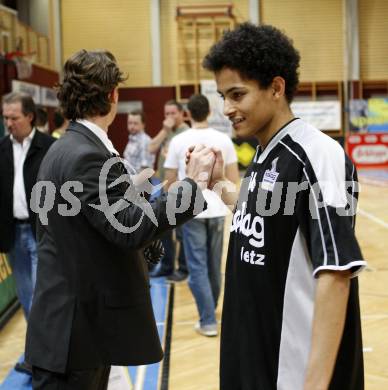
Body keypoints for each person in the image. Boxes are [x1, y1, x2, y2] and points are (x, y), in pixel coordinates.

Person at [25, 49, 215, 390]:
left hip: (72, 330)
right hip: (73, 337)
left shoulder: (65, 148)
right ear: (113, 95)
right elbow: (131, 227)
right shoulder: (85, 156)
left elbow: (84, 228)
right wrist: (194, 185)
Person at [202, 23, 367, 389]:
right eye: (222, 96)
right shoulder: (266, 151)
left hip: (291, 372)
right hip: (252, 358)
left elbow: (336, 273)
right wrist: (217, 183)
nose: (227, 108)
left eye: (237, 95)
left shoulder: (317, 154)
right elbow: (260, 216)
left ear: (276, 88)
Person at [164, 94, 239, 336]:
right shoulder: (223, 139)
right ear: (208, 113)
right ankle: (210, 310)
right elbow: (233, 179)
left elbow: (170, 180)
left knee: (197, 267)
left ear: (187, 114)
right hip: (218, 208)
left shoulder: (179, 140)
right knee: (214, 266)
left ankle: (207, 318)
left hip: (191, 210)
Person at [0, 92, 55, 374]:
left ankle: (43, 357)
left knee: (40, 298)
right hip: (13, 235)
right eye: (5, 118)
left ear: (30, 116)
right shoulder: (1, 149)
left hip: (42, 233)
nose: (8, 123)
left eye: (14, 117)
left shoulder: (50, 147)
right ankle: (38, 355)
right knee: (26, 298)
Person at [148, 100, 189, 281]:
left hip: (179, 186)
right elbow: (151, 148)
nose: (169, 118)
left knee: (181, 232)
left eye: (173, 113)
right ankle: (166, 265)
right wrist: (164, 129)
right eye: (167, 114)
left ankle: (184, 268)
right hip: (162, 185)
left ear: (181, 114)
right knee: (163, 229)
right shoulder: (167, 132)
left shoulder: (186, 133)